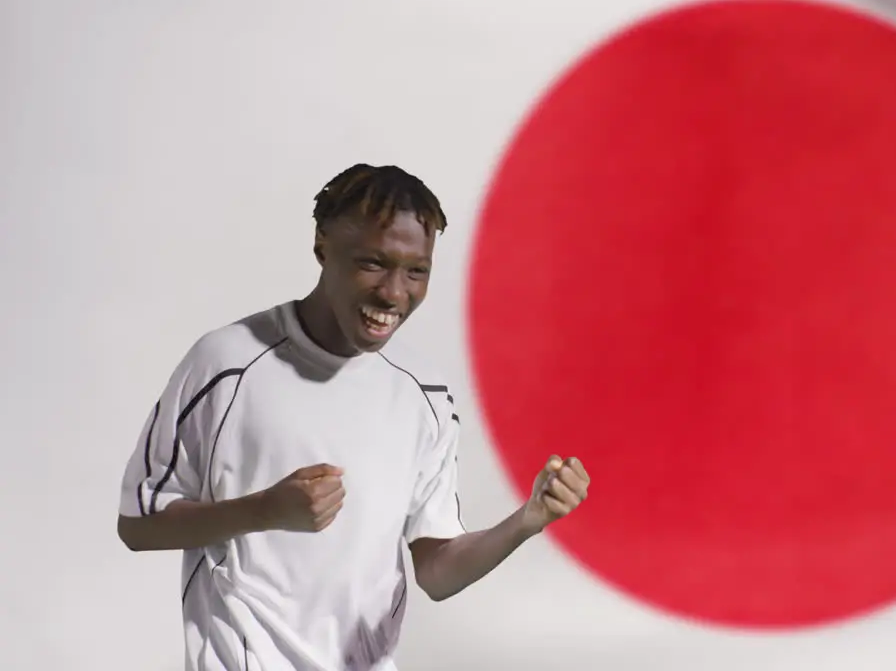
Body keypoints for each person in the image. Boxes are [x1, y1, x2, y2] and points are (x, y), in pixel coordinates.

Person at [116, 163, 591, 671]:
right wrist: (266, 511)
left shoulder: (423, 395)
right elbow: (139, 525)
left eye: (416, 271)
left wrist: (526, 521)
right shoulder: (226, 364)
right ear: (322, 246)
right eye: (373, 263)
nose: (393, 293)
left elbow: (435, 571)